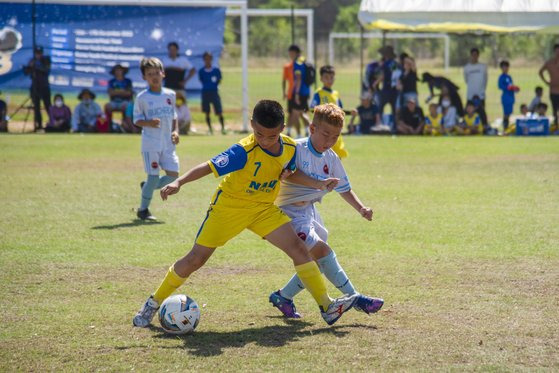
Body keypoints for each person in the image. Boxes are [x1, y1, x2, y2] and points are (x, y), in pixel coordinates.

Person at [132, 99, 359, 329]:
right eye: (259, 134)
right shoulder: (243, 151)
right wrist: (179, 182)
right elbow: (208, 166)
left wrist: (318, 183)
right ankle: (153, 302)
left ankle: (327, 306)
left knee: (300, 250)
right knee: (195, 259)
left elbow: (290, 173)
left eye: (271, 136)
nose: (264, 140)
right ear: (252, 124)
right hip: (229, 209)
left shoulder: (290, 148)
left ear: (282, 129)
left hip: (263, 209)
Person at [268, 103, 384, 318]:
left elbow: (345, 188)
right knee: (322, 252)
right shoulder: (296, 148)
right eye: (326, 134)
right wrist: (318, 183)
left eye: (336, 136)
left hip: (309, 213)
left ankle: (283, 296)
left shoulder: (331, 158)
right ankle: (356, 298)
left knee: (317, 263)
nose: (330, 141)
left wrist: (361, 208)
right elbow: (288, 173)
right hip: (287, 214)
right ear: (312, 129)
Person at [133, 57, 180, 221]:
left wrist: (175, 131)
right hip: (150, 144)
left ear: (163, 74)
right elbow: (136, 120)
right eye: (149, 73)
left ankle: (147, 187)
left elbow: (174, 116)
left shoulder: (170, 94)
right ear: (144, 77)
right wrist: (149, 123)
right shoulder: (142, 97)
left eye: (156, 72)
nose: (154, 76)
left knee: (174, 176)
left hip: (168, 144)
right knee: (153, 177)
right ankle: (143, 210)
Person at [309, 65, 347, 158]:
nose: (329, 80)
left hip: (336, 128)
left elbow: (340, 110)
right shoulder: (319, 93)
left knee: (337, 154)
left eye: (331, 77)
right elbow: (312, 109)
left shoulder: (335, 94)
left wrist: (350, 112)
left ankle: (336, 172)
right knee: (325, 153)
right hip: (324, 130)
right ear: (321, 78)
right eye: (326, 77)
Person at [24, 46, 51, 130]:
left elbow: (46, 70)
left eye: (40, 53)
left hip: (44, 86)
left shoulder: (46, 60)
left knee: (48, 106)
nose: (38, 55)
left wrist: (37, 66)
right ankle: (38, 125)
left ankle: (53, 123)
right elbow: (27, 72)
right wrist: (30, 66)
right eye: (37, 53)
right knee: (36, 106)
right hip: (35, 86)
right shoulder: (32, 61)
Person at [198, 52, 225, 135]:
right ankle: (210, 129)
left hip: (214, 92)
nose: (208, 60)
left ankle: (223, 128)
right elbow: (201, 80)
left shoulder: (216, 70)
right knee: (207, 111)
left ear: (212, 59)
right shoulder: (201, 71)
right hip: (205, 92)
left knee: (219, 111)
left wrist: (214, 86)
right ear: (203, 60)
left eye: (209, 58)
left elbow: (219, 79)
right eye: (206, 59)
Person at [375, 46, 399, 128]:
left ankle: (379, 125)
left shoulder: (386, 63)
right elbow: (395, 75)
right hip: (394, 90)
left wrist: (375, 83)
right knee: (394, 109)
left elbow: (383, 76)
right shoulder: (394, 63)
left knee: (380, 108)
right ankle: (394, 126)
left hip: (386, 89)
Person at [463, 48, 488, 127]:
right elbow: (466, 80)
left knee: (481, 112)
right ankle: (467, 126)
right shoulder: (467, 67)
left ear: (478, 56)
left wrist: (482, 90)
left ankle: (484, 126)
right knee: (468, 112)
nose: (474, 57)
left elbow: (485, 79)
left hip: (480, 94)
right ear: (471, 56)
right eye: (473, 55)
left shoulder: (483, 67)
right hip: (470, 94)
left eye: (476, 55)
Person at [290, 45, 312, 135]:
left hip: (300, 92)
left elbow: (298, 78)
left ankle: (299, 135)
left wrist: (296, 94)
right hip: (306, 91)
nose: (290, 55)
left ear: (295, 53)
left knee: (295, 113)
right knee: (302, 112)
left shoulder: (297, 63)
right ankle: (308, 131)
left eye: (291, 53)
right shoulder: (304, 60)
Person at [105, 64, 133, 129]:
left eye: (120, 70)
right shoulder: (111, 82)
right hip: (114, 102)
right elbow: (110, 93)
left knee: (126, 106)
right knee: (107, 106)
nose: (118, 72)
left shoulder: (127, 81)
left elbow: (128, 93)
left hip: (125, 101)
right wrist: (122, 91)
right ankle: (109, 126)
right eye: (116, 70)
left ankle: (126, 126)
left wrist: (116, 92)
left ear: (123, 71)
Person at [538, 43, 559, 127]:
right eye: (557, 51)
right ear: (554, 52)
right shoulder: (549, 63)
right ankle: (556, 124)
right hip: (553, 90)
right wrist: (546, 82)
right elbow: (540, 72)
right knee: (554, 109)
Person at [282, 46, 299, 137]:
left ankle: (299, 133)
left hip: (299, 94)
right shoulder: (287, 67)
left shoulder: (301, 66)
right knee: (291, 113)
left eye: (293, 53)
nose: (291, 55)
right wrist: (284, 92)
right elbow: (284, 80)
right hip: (290, 94)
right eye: (290, 53)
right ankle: (289, 131)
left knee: (297, 113)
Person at [498, 60, 519, 131]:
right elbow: (500, 86)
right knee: (506, 113)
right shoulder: (501, 77)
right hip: (506, 97)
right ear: (501, 68)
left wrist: (515, 88)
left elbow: (511, 86)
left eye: (506, 67)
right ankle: (505, 128)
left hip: (511, 97)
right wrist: (507, 88)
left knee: (509, 113)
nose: (505, 68)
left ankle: (507, 127)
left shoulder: (509, 77)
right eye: (504, 67)